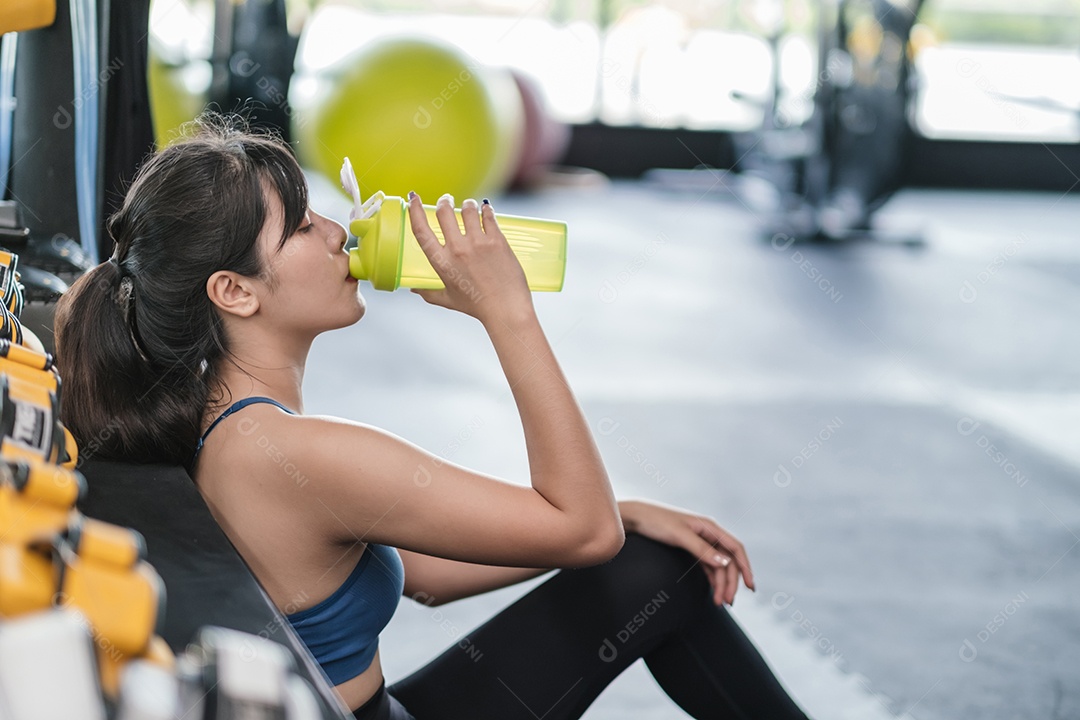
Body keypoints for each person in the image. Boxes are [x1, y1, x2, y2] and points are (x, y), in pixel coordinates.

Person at [55, 115, 812, 720]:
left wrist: (628, 514)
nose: (339, 234)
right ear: (235, 292)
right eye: (302, 227)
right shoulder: (290, 449)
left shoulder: (235, 426)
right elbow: (582, 530)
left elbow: (420, 572)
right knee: (640, 561)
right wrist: (506, 311)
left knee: (651, 564)